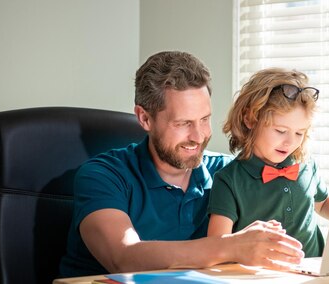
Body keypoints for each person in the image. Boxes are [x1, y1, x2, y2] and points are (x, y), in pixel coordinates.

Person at [59, 51, 304, 278]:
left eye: (204, 120)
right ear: (145, 118)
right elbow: (123, 257)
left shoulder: (230, 174)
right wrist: (230, 247)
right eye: (183, 123)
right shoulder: (103, 176)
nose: (198, 136)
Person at [207, 68, 329, 258]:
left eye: (299, 133)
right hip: (259, 275)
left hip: (313, 271)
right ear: (250, 119)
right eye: (281, 131)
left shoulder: (306, 165)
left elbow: (323, 204)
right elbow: (217, 243)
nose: (290, 142)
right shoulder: (229, 180)